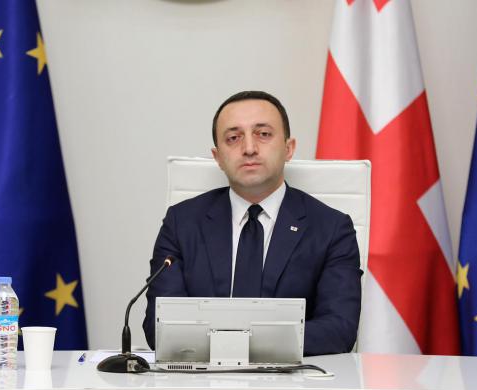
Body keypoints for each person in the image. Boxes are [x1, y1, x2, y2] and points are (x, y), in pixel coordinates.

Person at [143, 91, 362, 355]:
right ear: (217, 157)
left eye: (263, 134)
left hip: (292, 377)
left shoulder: (331, 229)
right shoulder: (181, 223)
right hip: (203, 377)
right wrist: (264, 340)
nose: (249, 148)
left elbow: (339, 330)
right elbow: (160, 327)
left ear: (289, 148)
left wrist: (234, 342)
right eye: (233, 138)